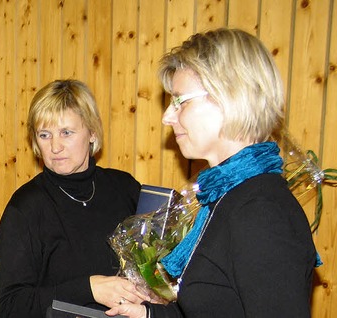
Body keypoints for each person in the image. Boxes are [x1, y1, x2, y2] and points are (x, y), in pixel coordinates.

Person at [106, 28, 318, 318]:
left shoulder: (260, 212)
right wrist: (149, 315)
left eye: (180, 101)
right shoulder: (225, 196)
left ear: (229, 95)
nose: (167, 117)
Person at [0, 79, 150, 318]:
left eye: (66, 133)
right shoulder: (25, 207)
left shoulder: (125, 187)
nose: (55, 146)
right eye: (45, 135)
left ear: (92, 132)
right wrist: (88, 289)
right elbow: (10, 306)